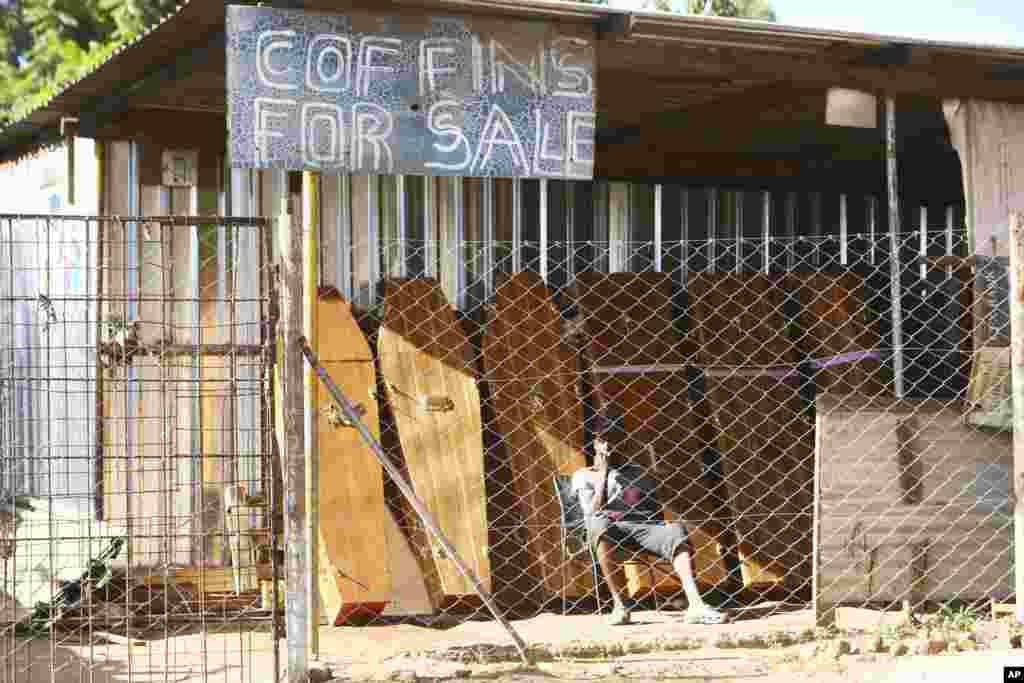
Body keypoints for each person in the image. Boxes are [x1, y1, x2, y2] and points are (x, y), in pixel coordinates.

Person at [571, 415, 726, 626]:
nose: (610, 444)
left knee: (674, 529)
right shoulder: (583, 475)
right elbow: (592, 512)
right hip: (608, 531)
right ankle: (621, 606)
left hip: (642, 527)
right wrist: (605, 471)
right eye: (604, 440)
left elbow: (654, 513)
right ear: (596, 444)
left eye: (616, 438)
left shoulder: (638, 472)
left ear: (625, 441)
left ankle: (696, 604)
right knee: (599, 523)